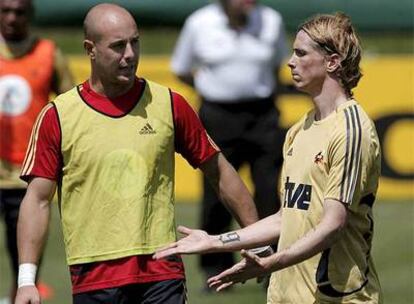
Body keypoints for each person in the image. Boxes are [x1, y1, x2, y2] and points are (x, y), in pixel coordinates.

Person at [13, 3, 262, 304]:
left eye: (135, 42)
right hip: (93, 277)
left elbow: (219, 170)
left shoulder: (169, 104)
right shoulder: (58, 116)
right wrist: (27, 281)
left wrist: (256, 241)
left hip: (163, 273)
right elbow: (38, 200)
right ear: (90, 49)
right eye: (118, 46)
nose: (129, 54)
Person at [155, 12, 383, 303]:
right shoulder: (299, 130)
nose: (290, 62)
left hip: (337, 298)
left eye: (301, 53)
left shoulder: (352, 129)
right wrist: (215, 242)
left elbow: (332, 224)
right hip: (286, 296)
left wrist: (273, 262)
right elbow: (285, 218)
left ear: (332, 62)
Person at [171, 0, 288, 280]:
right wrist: (213, 86)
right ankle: (216, 268)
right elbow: (181, 67)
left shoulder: (271, 20)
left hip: (262, 114)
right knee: (217, 194)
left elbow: (278, 65)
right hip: (218, 115)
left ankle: (271, 266)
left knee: (269, 191)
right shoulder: (199, 23)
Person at [0, 0, 73, 301]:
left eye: (19, 11)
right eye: (5, 10)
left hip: (27, 176)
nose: (12, 17)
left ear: (29, 14)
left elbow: (70, 108)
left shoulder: (49, 53)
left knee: (25, 259)